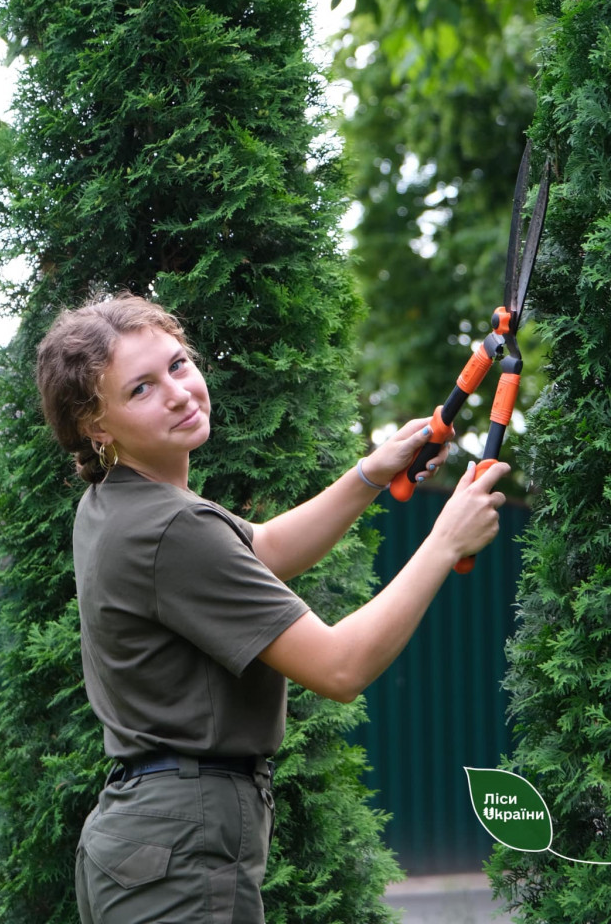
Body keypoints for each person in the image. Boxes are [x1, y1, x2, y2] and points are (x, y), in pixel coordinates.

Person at [35, 291, 508, 924]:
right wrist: (444, 542)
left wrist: (371, 471)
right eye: (140, 389)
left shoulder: (118, 504)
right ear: (97, 425)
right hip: (181, 846)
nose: (178, 392)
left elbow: (261, 549)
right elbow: (341, 668)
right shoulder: (170, 529)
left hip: (141, 840)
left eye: (178, 365)